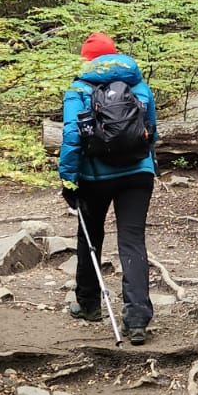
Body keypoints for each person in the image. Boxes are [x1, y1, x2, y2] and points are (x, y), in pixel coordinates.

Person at [58, 33, 158, 344]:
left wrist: (68, 179)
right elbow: (151, 131)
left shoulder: (78, 88)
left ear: (88, 59)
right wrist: (146, 161)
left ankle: (89, 305)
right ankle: (137, 318)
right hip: (137, 174)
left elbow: (72, 136)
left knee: (90, 235)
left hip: (93, 177)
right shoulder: (138, 85)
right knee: (132, 241)